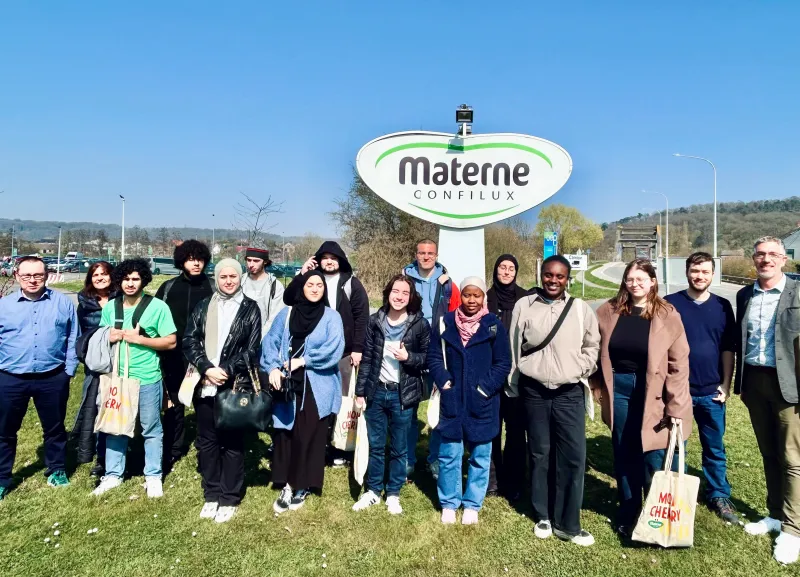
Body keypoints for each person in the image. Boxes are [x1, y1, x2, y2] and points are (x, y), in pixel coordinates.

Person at [591, 258, 692, 537]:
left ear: (652, 282)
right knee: (624, 450)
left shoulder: (668, 314)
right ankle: (629, 509)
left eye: (641, 279)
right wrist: (595, 385)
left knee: (654, 453)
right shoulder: (608, 311)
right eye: (630, 279)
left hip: (655, 392)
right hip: (620, 388)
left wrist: (676, 405)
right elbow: (592, 347)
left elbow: (679, 364)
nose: (635, 284)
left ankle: (657, 511)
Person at [509, 255, 600, 545]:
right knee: (539, 453)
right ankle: (543, 515)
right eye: (549, 275)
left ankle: (568, 521)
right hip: (534, 391)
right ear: (541, 274)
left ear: (567, 279)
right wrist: (514, 383)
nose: (553, 281)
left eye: (559, 276)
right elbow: (513, 347)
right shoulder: (525, 305)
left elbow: (592, 345)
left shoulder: (580, 309)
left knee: (573, 456)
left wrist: (579, 368)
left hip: (568, 392)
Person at [735, 237, 800, 565]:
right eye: (760, 254)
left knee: (792, 457)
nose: (766, 259)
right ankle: (775, 514)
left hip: (789, 385)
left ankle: (793, 530)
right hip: (755, 381)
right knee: (768, 452)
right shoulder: (744, 295)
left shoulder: (797, 293)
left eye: (773, 254)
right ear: (753, 258)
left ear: (784, 260)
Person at [427, 277, 511, 525]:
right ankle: (449, 503)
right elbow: (433, 356)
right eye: (467, 295)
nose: (471, 300)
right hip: (452, 400)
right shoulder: (445, 323)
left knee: (480, 456)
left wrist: (485, 388)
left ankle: (473, 503)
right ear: (460, 296)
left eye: (477, 295)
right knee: (449, 454)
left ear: (483, 297)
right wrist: (444, 381)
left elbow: (503, 362)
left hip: (482, 402)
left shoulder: (493, 325)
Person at [183, 259, 262, 523]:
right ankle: (211, 493)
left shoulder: (250, 309)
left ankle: (229, 496)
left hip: (233, 385)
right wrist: (206, 367)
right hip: (205, 382)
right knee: (207, 442)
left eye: (233, 276)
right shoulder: (205, 306)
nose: (228, 281)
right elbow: (189, 339)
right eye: (223, 276)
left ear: (241, 277)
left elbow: (252, 350)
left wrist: (225, 369)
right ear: (216, 279)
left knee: (232, 443)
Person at [92, 258, 177, 498]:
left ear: (143, 280)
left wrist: (140, 339)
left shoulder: (158, 307)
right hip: (117, 377)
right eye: (126, 279)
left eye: (135, 279)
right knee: (115, 426)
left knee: (151, 427)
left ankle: (153, 476)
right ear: (119, 280)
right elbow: (102, 336)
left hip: (147, 378)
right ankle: (113, 475)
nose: (130, 284)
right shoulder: (110, 307)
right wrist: (111, 336)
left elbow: (171, 341)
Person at [665, 252, 739, 524]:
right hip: (679, 391)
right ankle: (674, 495)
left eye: (705, 272)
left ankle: (718, 493)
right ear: (686, 272)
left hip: (711, 391)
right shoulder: (670, 304)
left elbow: (728, 348)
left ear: (712, 274)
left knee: (714, 447)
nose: (700, 276)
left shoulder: (722, 306)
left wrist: (726, 385)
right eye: (695, 271)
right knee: (675, 446)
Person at [263, 270, 345, 512]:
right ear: (302, 287)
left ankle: (302, 484)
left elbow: (334, 349)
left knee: (309, 434)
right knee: (285, 434)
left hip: (317, 386)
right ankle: (286, 484)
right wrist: (272, 368)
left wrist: (304, 361)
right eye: (310, 284)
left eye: (320, 285)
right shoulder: (286, 315)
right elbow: (270, 343)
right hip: (287, 386)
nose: (316, 289)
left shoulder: (332, 317)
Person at [0, 256, 79, 499]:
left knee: (54, 428)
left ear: (46, 275)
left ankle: (56, 469)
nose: (33, 280)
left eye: (38, 275)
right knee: (4, 430)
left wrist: (69, 370)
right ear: (16, 276)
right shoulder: (4, 306)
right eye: (27, 275)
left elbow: (72, 337)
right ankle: (2, 477)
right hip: (11, 378)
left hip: (52, 378)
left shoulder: (63, 303)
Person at [352, 274, 431, 515]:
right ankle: (374, 490)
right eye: (395, 291)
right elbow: (367, 359)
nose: (399, 296)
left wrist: (409, 358)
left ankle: (393, 493)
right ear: (388, 293)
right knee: (376, 445)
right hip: (377, 392)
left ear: (411, 297)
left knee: (399, 448)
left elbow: (429, 358)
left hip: (402, 395)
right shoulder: (375, 321)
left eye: (404, 293)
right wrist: (360, 391)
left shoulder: (419, 324)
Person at [297, 241, 369, 467]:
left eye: (333, 258)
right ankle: (321, 445)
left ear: (340, 260)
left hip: (345, 354)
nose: (329, 261)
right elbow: (294, 303)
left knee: (342, 402)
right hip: (316, 353)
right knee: (319, 400)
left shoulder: (351, 285)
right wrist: (302, 275)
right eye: (325, 257)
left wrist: (358, 348)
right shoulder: (312, 282)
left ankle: (342, 448)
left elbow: (362, 318)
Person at [403, 239, 461, 479]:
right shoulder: (403, 280)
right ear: (415, 254)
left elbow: (458, 317)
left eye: (430, 253)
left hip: (439, 351)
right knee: (406, 407)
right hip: (409, 348)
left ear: (436, 255)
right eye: (421, 253)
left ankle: (435, 459)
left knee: (439, 406)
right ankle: (406, 459)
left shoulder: (448, 285)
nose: (426, 257)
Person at [155, 240, 214, 469]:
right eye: (190, 259)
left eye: (199, 258)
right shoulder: (169, 288)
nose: (195, 263)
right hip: (173, 354)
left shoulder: (212, 286)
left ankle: (204, 446)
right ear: (182, 262)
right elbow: (155, 317)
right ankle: (174, 446)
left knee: (204, 401)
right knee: (174, 402)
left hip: (203, 354)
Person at [485, 253, 530, 500]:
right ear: (495, 270)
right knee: (492, 428)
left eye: (511, 268)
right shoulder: (486, 299)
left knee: (515, 430)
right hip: (491, 374)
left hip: (518, 374)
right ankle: (492, 480)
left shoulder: (526, 298)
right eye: (502, 267)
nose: (506, 272)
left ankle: (514, 481)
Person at [73, 260, 116, 476]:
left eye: (104, 274)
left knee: (117, 407)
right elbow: (79, 334)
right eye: (95, 275)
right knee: (96, 410)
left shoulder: (122, 299)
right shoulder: (85, 303)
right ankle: (100, 458)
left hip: (119, 362)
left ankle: (119, 454)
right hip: (96, 364)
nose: (99, 278)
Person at [241, 247, 285, 335]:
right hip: (240, 340)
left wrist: (259, 338)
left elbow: (275, 319)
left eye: (256, 261)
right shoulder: (240, 281)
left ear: (265, 261)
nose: (251, 264)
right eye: (249, 260)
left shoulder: (275, 286)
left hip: (263, 339)